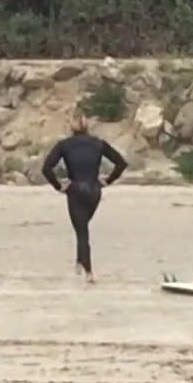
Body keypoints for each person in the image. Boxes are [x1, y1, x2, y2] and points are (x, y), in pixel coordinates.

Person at [40, 113, 128, 283]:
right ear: (87, 126)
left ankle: (88, 272)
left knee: (81, 231)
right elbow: (121, 163)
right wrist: (108, 180)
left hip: (75, 190)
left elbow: (46, 168)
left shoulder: (64, 145)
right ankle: (80, 261)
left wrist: (59, 186)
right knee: (83, 227)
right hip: (94, 190)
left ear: (72, 127)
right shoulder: (98, 143)